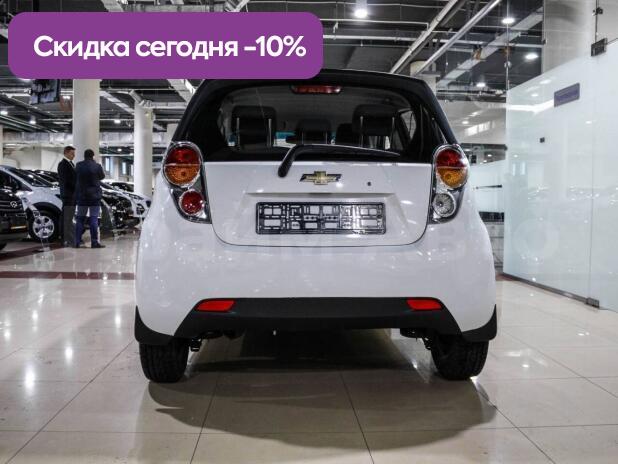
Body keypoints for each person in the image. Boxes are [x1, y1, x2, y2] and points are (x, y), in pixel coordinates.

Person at [74, 149, 106, 249]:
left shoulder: (78, 165)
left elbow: (76, 176)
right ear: (93, 156)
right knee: (94, 218)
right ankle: (94, 242)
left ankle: (77, 242)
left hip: (82, 196)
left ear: (84, 156)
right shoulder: (97, 166)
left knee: (80, 219)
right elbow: (102, 177)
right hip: (94, 197)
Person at [57, 145, 76, 247]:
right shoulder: (63, 164)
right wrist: (77, 186)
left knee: (69, 218)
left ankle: (69, 238)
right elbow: (66, 181)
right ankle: (64, 239)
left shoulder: (71, 164)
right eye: (72, 153)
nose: (74, 155)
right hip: (67, 195)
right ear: (66, 153)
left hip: (72, 195)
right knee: (66, 218)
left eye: (74, 153)